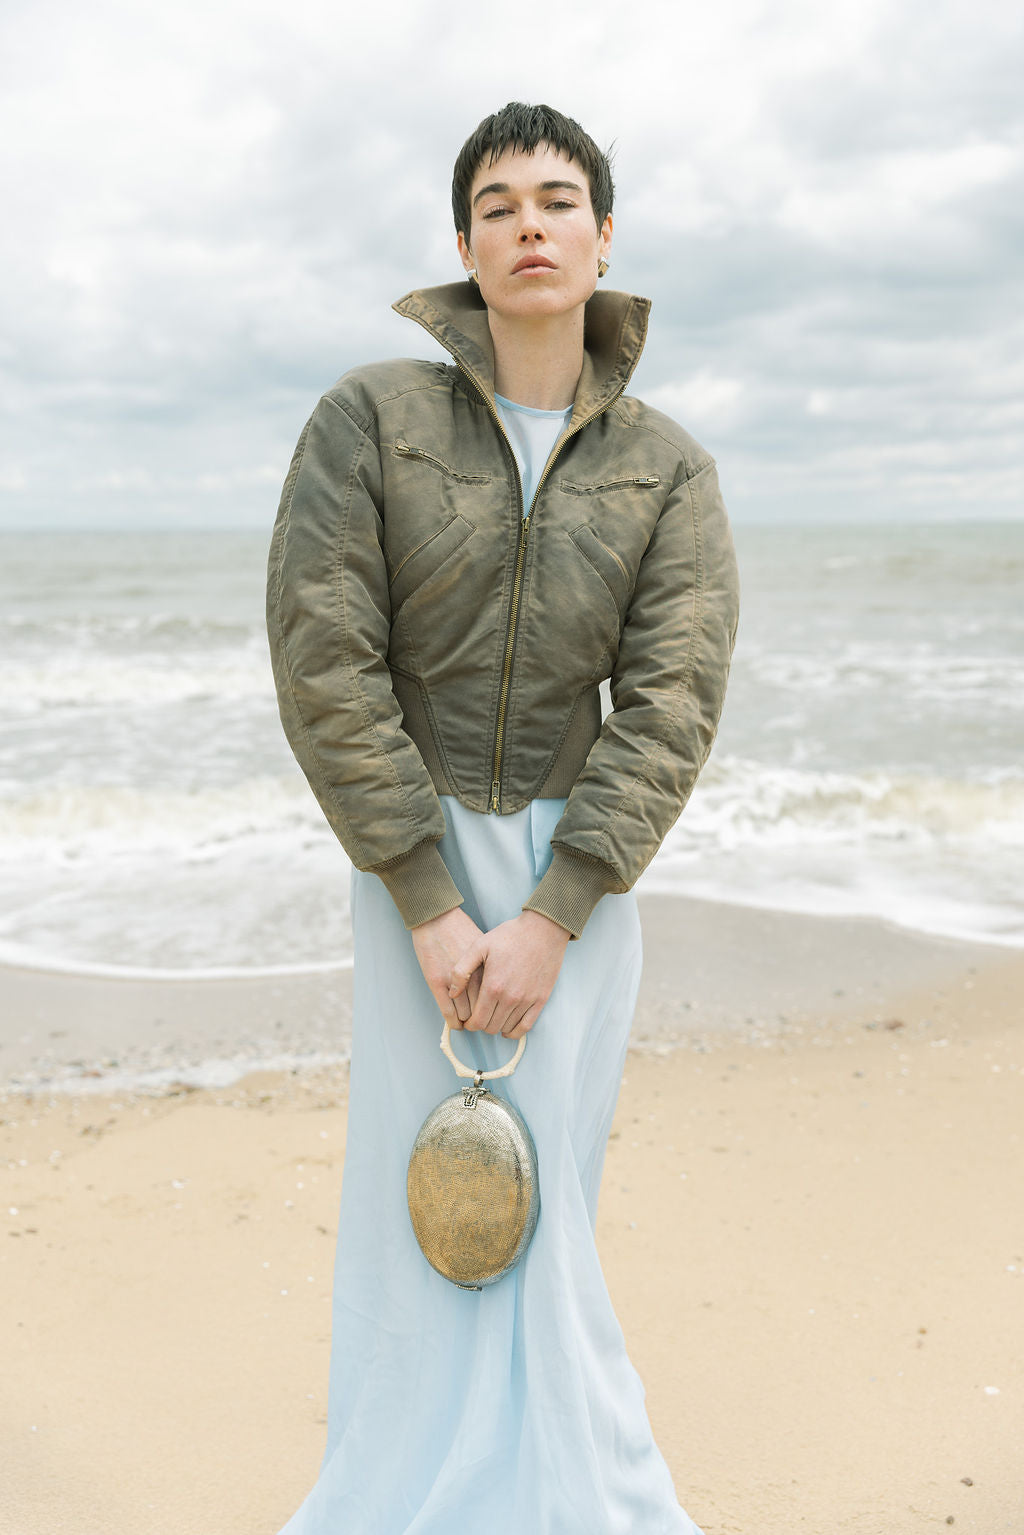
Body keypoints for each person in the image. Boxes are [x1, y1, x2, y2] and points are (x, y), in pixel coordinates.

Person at [266, 101, 739, 1535]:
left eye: (556, 200)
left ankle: (579, 1502)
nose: (529, 224)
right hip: (411, 862)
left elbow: (672, 703)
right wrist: (426, 899)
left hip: (571, 883)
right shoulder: (371, 419)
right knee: (419, 1202)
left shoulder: (669, 468)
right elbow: (324, 656)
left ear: (605, 237)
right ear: (464, 247)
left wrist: (552, 915)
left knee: (545, 1211)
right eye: (496, 205)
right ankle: (406, 1497)